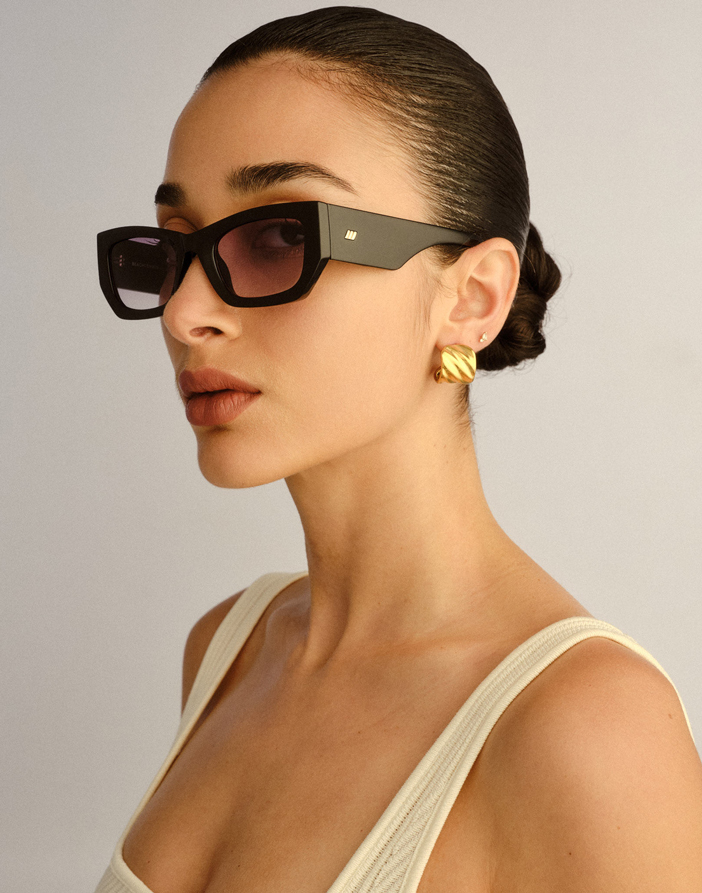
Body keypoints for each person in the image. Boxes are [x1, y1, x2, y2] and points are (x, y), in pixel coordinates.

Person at [94, 7, 702, 892]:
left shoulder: (589, 729)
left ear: (472, 297)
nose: (186, 313)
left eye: (280, 236)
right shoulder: (227, 648)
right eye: (176, 247)